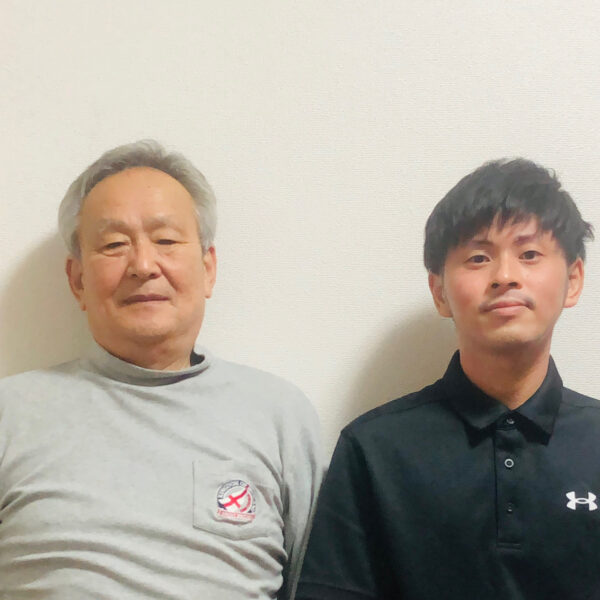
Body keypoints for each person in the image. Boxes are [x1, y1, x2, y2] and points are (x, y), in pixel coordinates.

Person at [0, 140, 323, 600]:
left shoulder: (279, 416)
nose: (143, 265)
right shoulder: (10, 413)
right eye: (114, 244)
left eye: (166, 240)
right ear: (78, 280)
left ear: (208, 268)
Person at [297, 158, 599, 600]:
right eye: (478, 258)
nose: (505, 276)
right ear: (439, 291)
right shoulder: (374, 450)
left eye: (529, 254)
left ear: (573, 280)